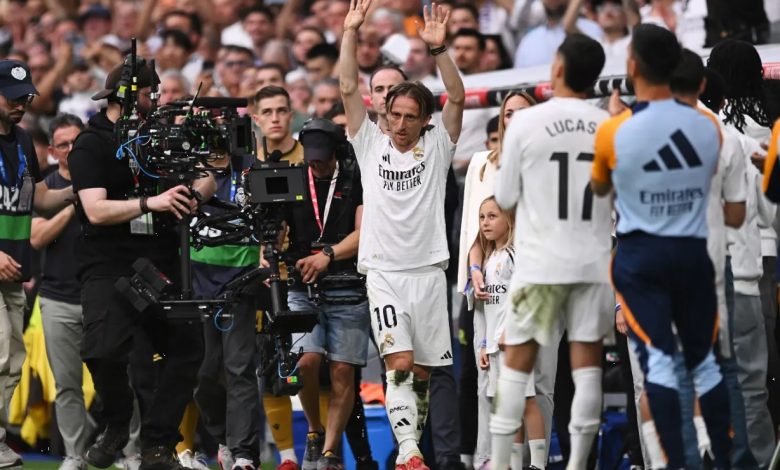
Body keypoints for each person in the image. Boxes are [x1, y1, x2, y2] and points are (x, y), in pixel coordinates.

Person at [590, 24, 731, 469]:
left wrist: (619, 122)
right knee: (704, 364)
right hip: (692, 254)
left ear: (632, 66)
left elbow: (600, 191)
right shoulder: (708, 126)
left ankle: (670, 459)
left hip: (643, 259)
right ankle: (715, 450)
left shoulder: (615, 130)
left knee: (660, 367)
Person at [68, 57, 216, 470]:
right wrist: (152, 202)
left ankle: (158, 442)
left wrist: (196, 192)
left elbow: (205, 177)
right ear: (128, 97)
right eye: (152, 93)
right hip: (109, 262)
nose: (158, 99)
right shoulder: (92, 143)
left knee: (188, 348)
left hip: (161, 260)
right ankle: (117, 422)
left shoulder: (164, 135)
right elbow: (95, 210)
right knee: (102, 352)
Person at [341, 1, 466, 469]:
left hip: (430, 271)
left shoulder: (438, 145)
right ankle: (411, 452)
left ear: (425, 120)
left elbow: (458, 96)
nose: (400, 124)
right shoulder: (369, 142)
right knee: (399, 362)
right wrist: (350, 32)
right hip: (385, 272)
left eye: (410, 117)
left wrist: (439, 49)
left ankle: (407, 448)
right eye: (394, 114)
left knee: (423, 373)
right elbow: (347, 87)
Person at [490, 33, 612, 470]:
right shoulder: (608, 125)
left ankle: (500, 464)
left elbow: (505, 196)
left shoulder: (526, 124)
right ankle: (578, 464)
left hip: (540, 263)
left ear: (557, 68)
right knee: (587, 370)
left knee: (514, 372)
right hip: (592, 262)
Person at [0, 59, 74, 470]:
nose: (20, 104)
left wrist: (83, 191)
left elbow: (39, 199)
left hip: (15, 269)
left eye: (25, 97)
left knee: (13, 361)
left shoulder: (24, 140)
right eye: (11, 98)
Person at [283, 118, 368, 470]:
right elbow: (276, 229)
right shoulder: (293, 177)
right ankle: (314, 432)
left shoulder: (356, 177)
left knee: (343, 370)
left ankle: (330, 452)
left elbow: (366, 231)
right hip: (302, 284)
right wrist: (270, 249)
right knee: (305, 362)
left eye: (323, 157)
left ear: (337, 152)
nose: (316, 164)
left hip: (348, 284)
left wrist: (327, 255)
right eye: (312, 157)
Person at [191, 146, 263, 470]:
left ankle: (244, 452)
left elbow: (273, 216)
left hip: (240, 284)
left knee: (239, 369)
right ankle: (223, 437)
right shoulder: (187, 168)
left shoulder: (250, 167)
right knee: (204, 374)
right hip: (197, 286)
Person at [30, 114, 90, 470]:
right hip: (57, 298)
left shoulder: (106, 180)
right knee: (67, 386)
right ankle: (75, 455)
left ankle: (130, 453)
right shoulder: (44, 187)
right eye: (63, 144)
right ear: (52, 151)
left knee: (118, 380)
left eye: (76, 142)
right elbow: (37, 237)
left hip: (100, 296)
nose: (70, 149)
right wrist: (73, 203)